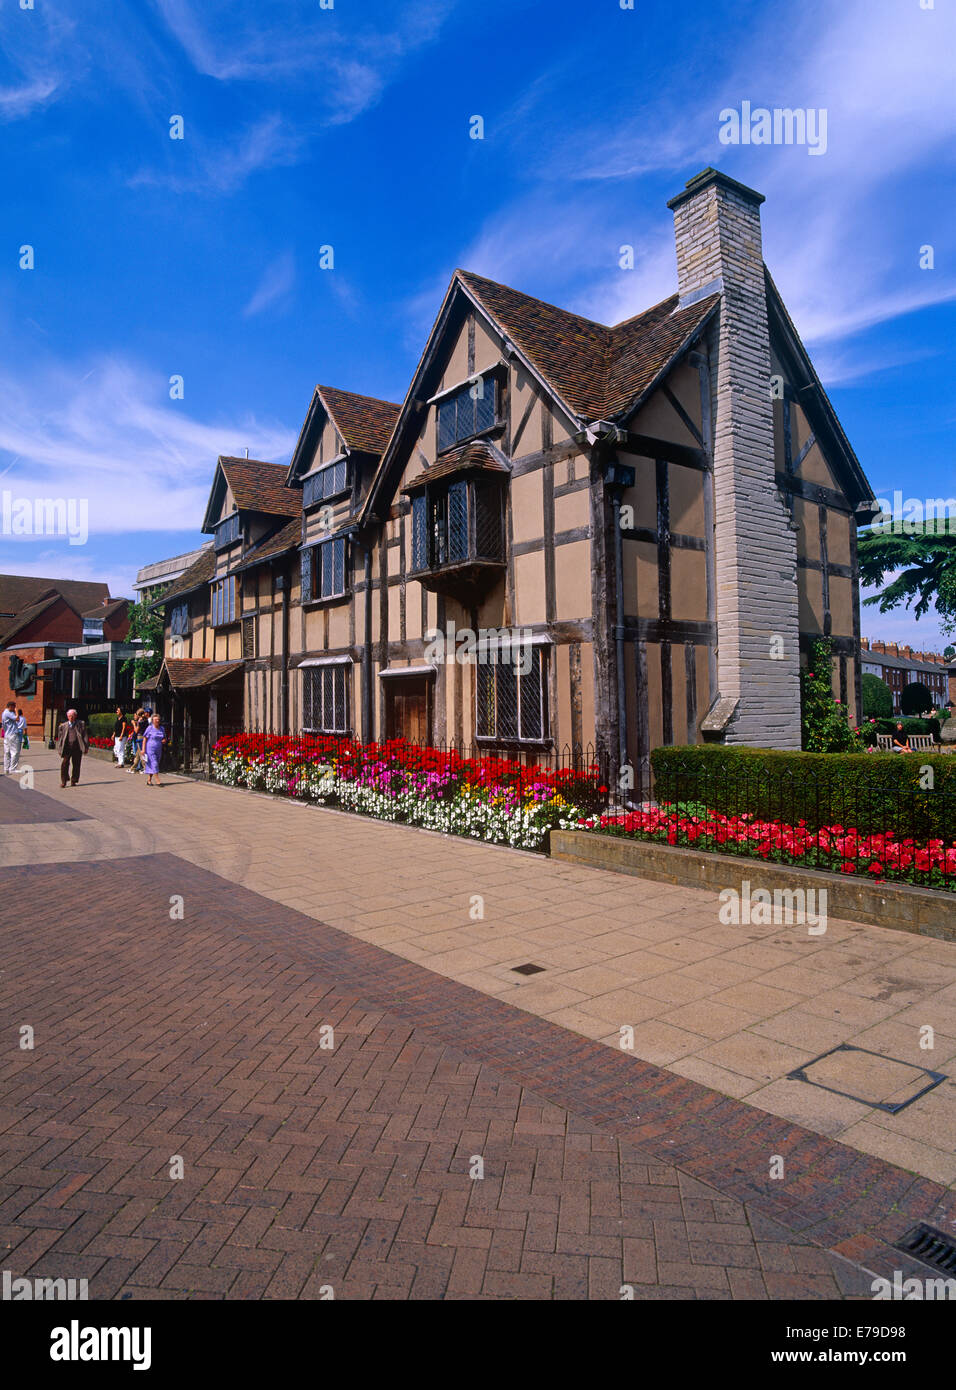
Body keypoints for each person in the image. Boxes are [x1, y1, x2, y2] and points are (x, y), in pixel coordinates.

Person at [55, 708, 89, 787]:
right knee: (64, 764)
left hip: (77, 747)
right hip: (67, 747)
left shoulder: (81, 724)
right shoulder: (63, 726)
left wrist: (86, 747)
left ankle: (74, 780)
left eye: (73, 716)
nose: (71, 718)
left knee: (76, 764)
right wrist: (60, 749)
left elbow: (85, 736)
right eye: (70, 716)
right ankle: (64, 781)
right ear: (67, 717)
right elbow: (60, 738)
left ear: (75, 716)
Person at [141, 712, 168, 786]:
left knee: (154, 764)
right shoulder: (150, 728)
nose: (157, 721)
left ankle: (149, 780)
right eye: (155, 720)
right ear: (152, 720)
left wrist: (164, 740)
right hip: (150, 748)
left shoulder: (162, 728)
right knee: (154, 763)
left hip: (158, 748)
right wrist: (143, 749)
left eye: (158, 720)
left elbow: (164, 738)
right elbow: (144, 738)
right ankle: (158, 781)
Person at [2, 700, 26, 774]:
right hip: (12, 734)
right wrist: (16, 711)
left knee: (7, 752)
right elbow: (17, 719)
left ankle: (6, 768)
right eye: (14, 707)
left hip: (7, 734)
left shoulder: (4, 712)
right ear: (11, 706)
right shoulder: (8, 713)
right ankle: (12, 768)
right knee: (15, 751)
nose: (15, 708)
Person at [129, 708, 149, 774]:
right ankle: (133, 767)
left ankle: (145, 768)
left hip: (140, 736)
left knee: (141, 753)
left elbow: (136, 730)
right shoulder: (146, 720)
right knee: (138, 753)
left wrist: (134, 724)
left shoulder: (140, 721)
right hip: (144, 736)